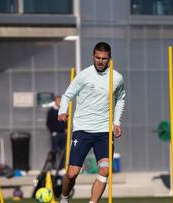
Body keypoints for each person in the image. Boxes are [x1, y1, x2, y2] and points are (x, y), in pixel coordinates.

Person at [58, 42, 126, 203]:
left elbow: (121, 99)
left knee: (104, 170)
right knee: (72, 173)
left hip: (104, 131)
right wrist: (62, 111)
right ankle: (64, 197)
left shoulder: (116, 78)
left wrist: (116, 122)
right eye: (98, 58)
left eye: (104, 58)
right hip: (82, 130)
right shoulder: (84, 75)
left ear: (109, 58)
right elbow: (67, 95)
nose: (100, 61)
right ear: (93, 56)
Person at [46, 95, 67, 170]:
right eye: (58, 101)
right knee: (54, 151)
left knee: (63, 151)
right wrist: (53, 131)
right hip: (55, 134)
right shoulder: (51, 111)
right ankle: (53, 166)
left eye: (61, 101)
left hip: (63, 133)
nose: (60, 102)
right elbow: (48, 123)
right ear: (55, 101)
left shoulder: (62, 111)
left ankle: (62, 167)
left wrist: (66, 129)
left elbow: (65, 120)